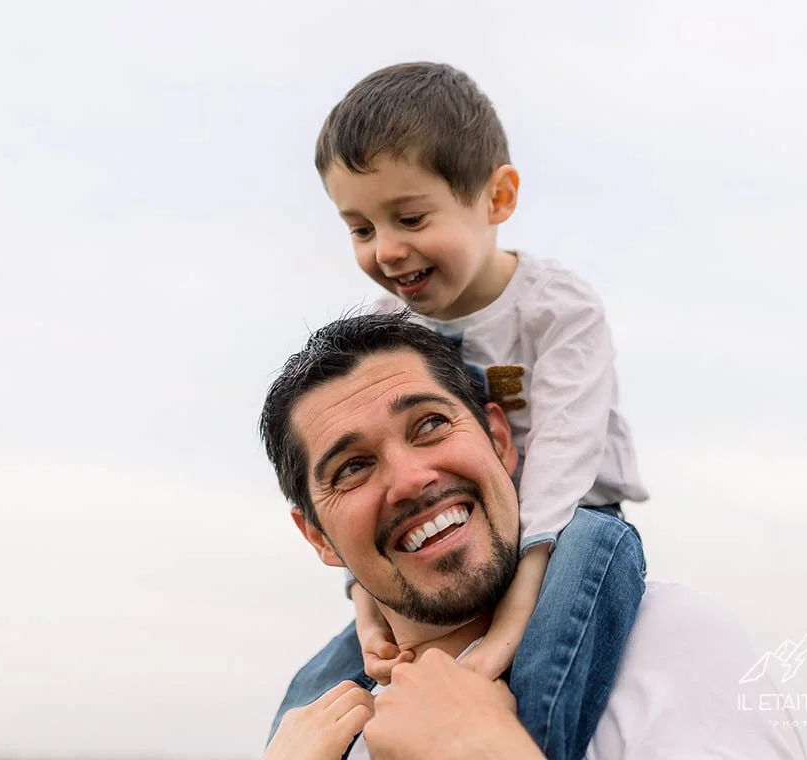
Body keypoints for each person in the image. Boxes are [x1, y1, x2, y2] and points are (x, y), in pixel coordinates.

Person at [258, 312, 806, 759]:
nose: (409, 480)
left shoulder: (667, 641)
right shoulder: (316, 740)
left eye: (429, 424)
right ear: (318, 538)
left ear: (500, 440)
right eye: (352, 467)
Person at [312, 60, 648, 742]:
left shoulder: (558, 310)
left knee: (552, 635)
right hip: (458, 527)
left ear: (497, 200)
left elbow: (562, 457)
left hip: (574, 515)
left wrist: (506, 632)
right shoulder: (391, 331)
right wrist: (367, 607)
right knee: (324, 685)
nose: (388, 249)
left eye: (409, 217)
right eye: (361, 228)